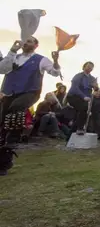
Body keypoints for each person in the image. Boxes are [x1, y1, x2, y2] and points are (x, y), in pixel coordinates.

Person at [0, 38, 61, 175]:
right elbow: (2, 69)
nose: (26, 43)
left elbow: (55, 72)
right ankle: (3, 162)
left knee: (15, 109)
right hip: (9, 93)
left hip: (30, 92)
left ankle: (13, 140)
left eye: (30, 41)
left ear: (36, 45)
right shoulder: (13, 57)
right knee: (3, 124)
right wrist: (12, 50)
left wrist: (56, 61)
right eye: (25, 41)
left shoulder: (41, 59)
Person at [67, 61, 98, 136]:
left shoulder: (92, 78)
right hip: (73, 96)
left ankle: (70, 134)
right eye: (88, 66)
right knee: (83, 108)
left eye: (91, 66)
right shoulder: (78, 76)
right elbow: (75, 88)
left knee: (81, 114)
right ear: (84, 67)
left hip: (85, 99)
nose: (90, 67)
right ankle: (80, 128)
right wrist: (83, 96)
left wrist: (96, 87)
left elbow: (95, 89)